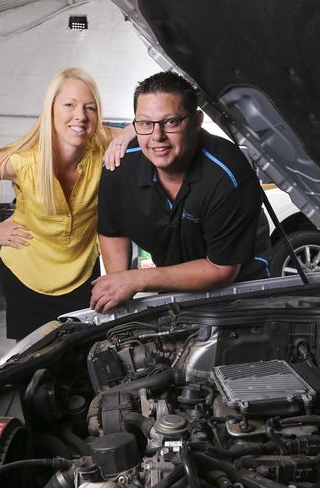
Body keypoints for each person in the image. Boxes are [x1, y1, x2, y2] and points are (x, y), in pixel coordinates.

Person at [0, 67, 133, 339]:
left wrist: (128, 133)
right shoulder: (22, 161)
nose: (80, 115)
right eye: (70, 104)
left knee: (80, 359)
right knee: (33, 363)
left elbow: (148, 127)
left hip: (80, 275)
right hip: (27, 275)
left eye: (90, 108)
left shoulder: (102, 143)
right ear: (51, 109)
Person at [92, 71, 271, 313]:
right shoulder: (119, 168)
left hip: (241, 288)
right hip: (173, 284)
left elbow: (222, 270)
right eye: (145, 123)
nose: (157, 137)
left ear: (196, 122)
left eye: (171, 122)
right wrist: (120, 283)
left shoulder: (227, 174)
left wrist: (137, 279)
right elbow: (113, 231)